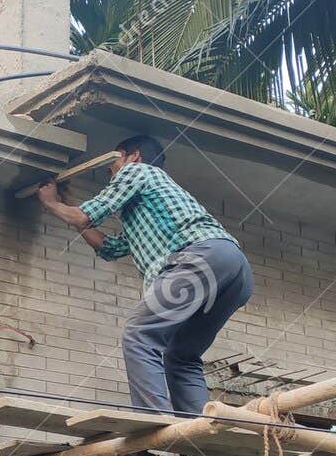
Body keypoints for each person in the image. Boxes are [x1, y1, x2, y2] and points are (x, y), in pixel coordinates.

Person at [37, 134, 253, 416]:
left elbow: (83, 216)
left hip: (199, 256)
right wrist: (68, 206)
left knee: (139, 334)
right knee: (181, 356)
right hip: (234, 270)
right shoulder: (147, 207)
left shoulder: (138, 171)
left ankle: (156, 422)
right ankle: (202, 430)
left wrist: (52, 203)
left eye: (114, 160)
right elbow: (110, 247)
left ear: (134, 156)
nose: (109, 169)